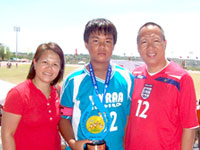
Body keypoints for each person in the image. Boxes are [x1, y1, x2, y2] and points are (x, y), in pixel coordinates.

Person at [59, 18, 134, 150]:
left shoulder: (127, 78)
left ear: (113, 45)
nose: (102, 46)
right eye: (95, 40)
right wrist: (72, 143)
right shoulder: (73, 80)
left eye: (108, 41)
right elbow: (63, 118)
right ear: (86, 44)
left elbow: (128, 118)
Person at [125, 22, 199, 150]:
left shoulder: (181, 79)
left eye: (156, 41)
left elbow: (189, 127)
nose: (150, 47)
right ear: (138, 47)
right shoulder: (134, 76)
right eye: (144, 42)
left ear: (165, 43)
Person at [1, 42, 65, 150]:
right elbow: (7, 135)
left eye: (55, 64)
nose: (49, 68)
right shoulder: (17, 94)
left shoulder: (58, 91)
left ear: (60, 69)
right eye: (45, 62)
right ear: (35, 63)